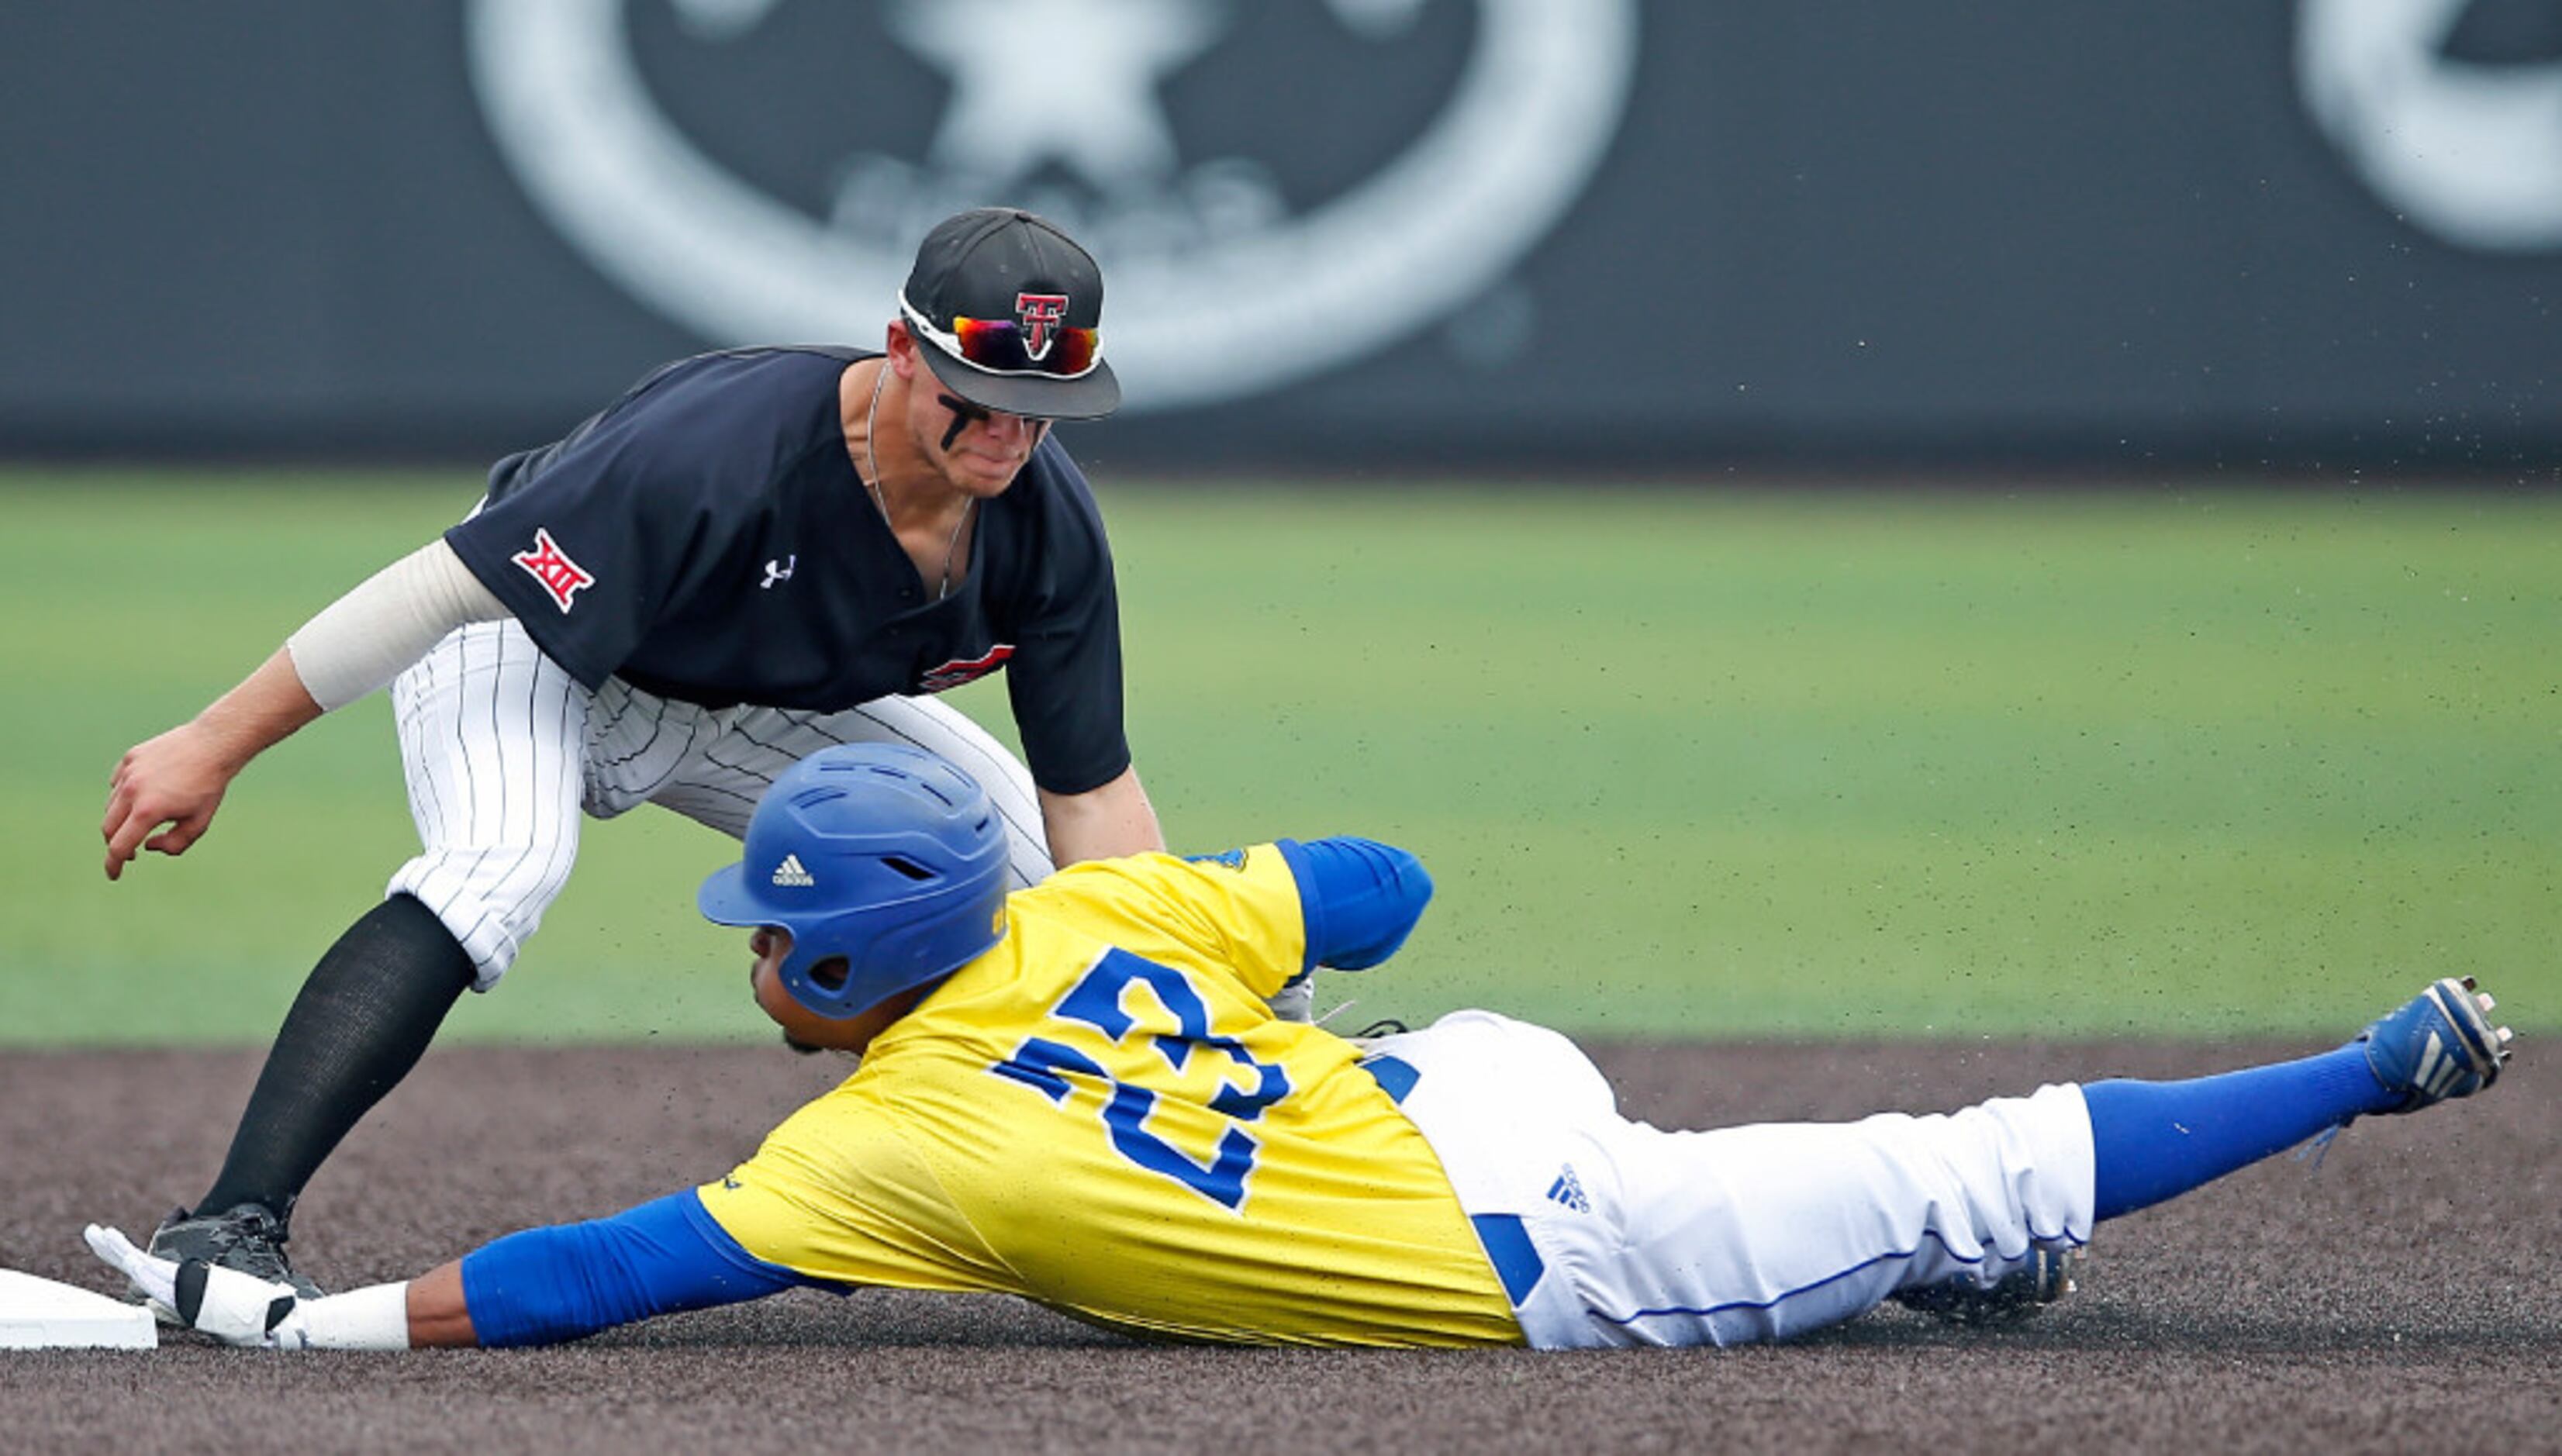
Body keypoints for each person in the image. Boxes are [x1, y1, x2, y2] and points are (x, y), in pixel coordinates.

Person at [88, 744, 2516, 1353]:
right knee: (1871, 1165)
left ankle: (2358, 1063)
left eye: (773, 944)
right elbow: (1379, 891)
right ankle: (1928, 1260)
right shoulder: (1101, 910)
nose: (752, 966)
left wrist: (306, 1318)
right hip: (1468, 1064)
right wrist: (1199, 941)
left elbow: (599, 1271)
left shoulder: (877, 1158)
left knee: (1948, 1174)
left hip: (1549, 1236)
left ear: (836, 978)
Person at [95, 209, 1190, 1300]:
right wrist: (213, 740)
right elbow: (442, 587)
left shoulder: (1046, 528)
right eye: (981, 395)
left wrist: (1198, 1000)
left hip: (756, 697)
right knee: (500, 865)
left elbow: (1091, 798)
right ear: (902, 351)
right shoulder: (718, 452)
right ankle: (231, 1220)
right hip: (537, 649)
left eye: (1040, 410)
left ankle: (1181, 1164)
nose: (1009, 433)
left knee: (1032, 874)